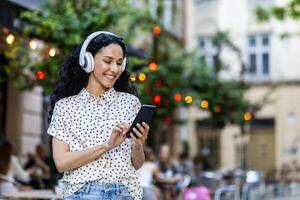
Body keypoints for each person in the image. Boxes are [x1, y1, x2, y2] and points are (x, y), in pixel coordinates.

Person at [47, 31, 150, 200]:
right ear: (87, 60)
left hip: (124, 193)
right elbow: (61, 163)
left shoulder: (130, 103)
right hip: (82, 193)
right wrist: (107, 145)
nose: (114, 69)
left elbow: (137, 164)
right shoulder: (65, 107)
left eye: (119, 63)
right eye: (108, 61)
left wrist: (138, 145)